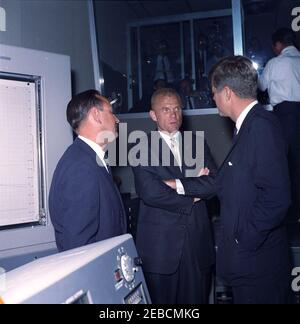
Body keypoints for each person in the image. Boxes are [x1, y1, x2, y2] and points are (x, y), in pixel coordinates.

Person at [165, 56, 291, 304]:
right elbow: (227, 182)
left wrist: (242, 238)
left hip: (258, 265)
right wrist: (182, 185)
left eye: (213, 92)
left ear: (227, 93)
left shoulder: (260, 128)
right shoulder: (248, 126)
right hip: (251, 265)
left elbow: (277, 198)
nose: (212, 98)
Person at [131, 88, 216, 304]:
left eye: (177, 109)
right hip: (161, 249)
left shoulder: (196, 143)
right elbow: (150, 193)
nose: (173, 114)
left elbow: (214, 183)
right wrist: (193, 193)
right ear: (153, 115)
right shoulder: (141, 147)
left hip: (197, 246)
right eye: (166, 109)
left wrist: (174, 185)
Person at [49, 90, 127, 252]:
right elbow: (77, 246)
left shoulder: (88, 159)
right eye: (112, 113)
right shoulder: (80, 167)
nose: (117, 119)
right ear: (96, 115)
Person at [259, 27, 300, 222]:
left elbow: (260, 86)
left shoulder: (275, 63)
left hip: (287, 116)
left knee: (288, 163)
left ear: (278, 45)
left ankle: (292, 214)